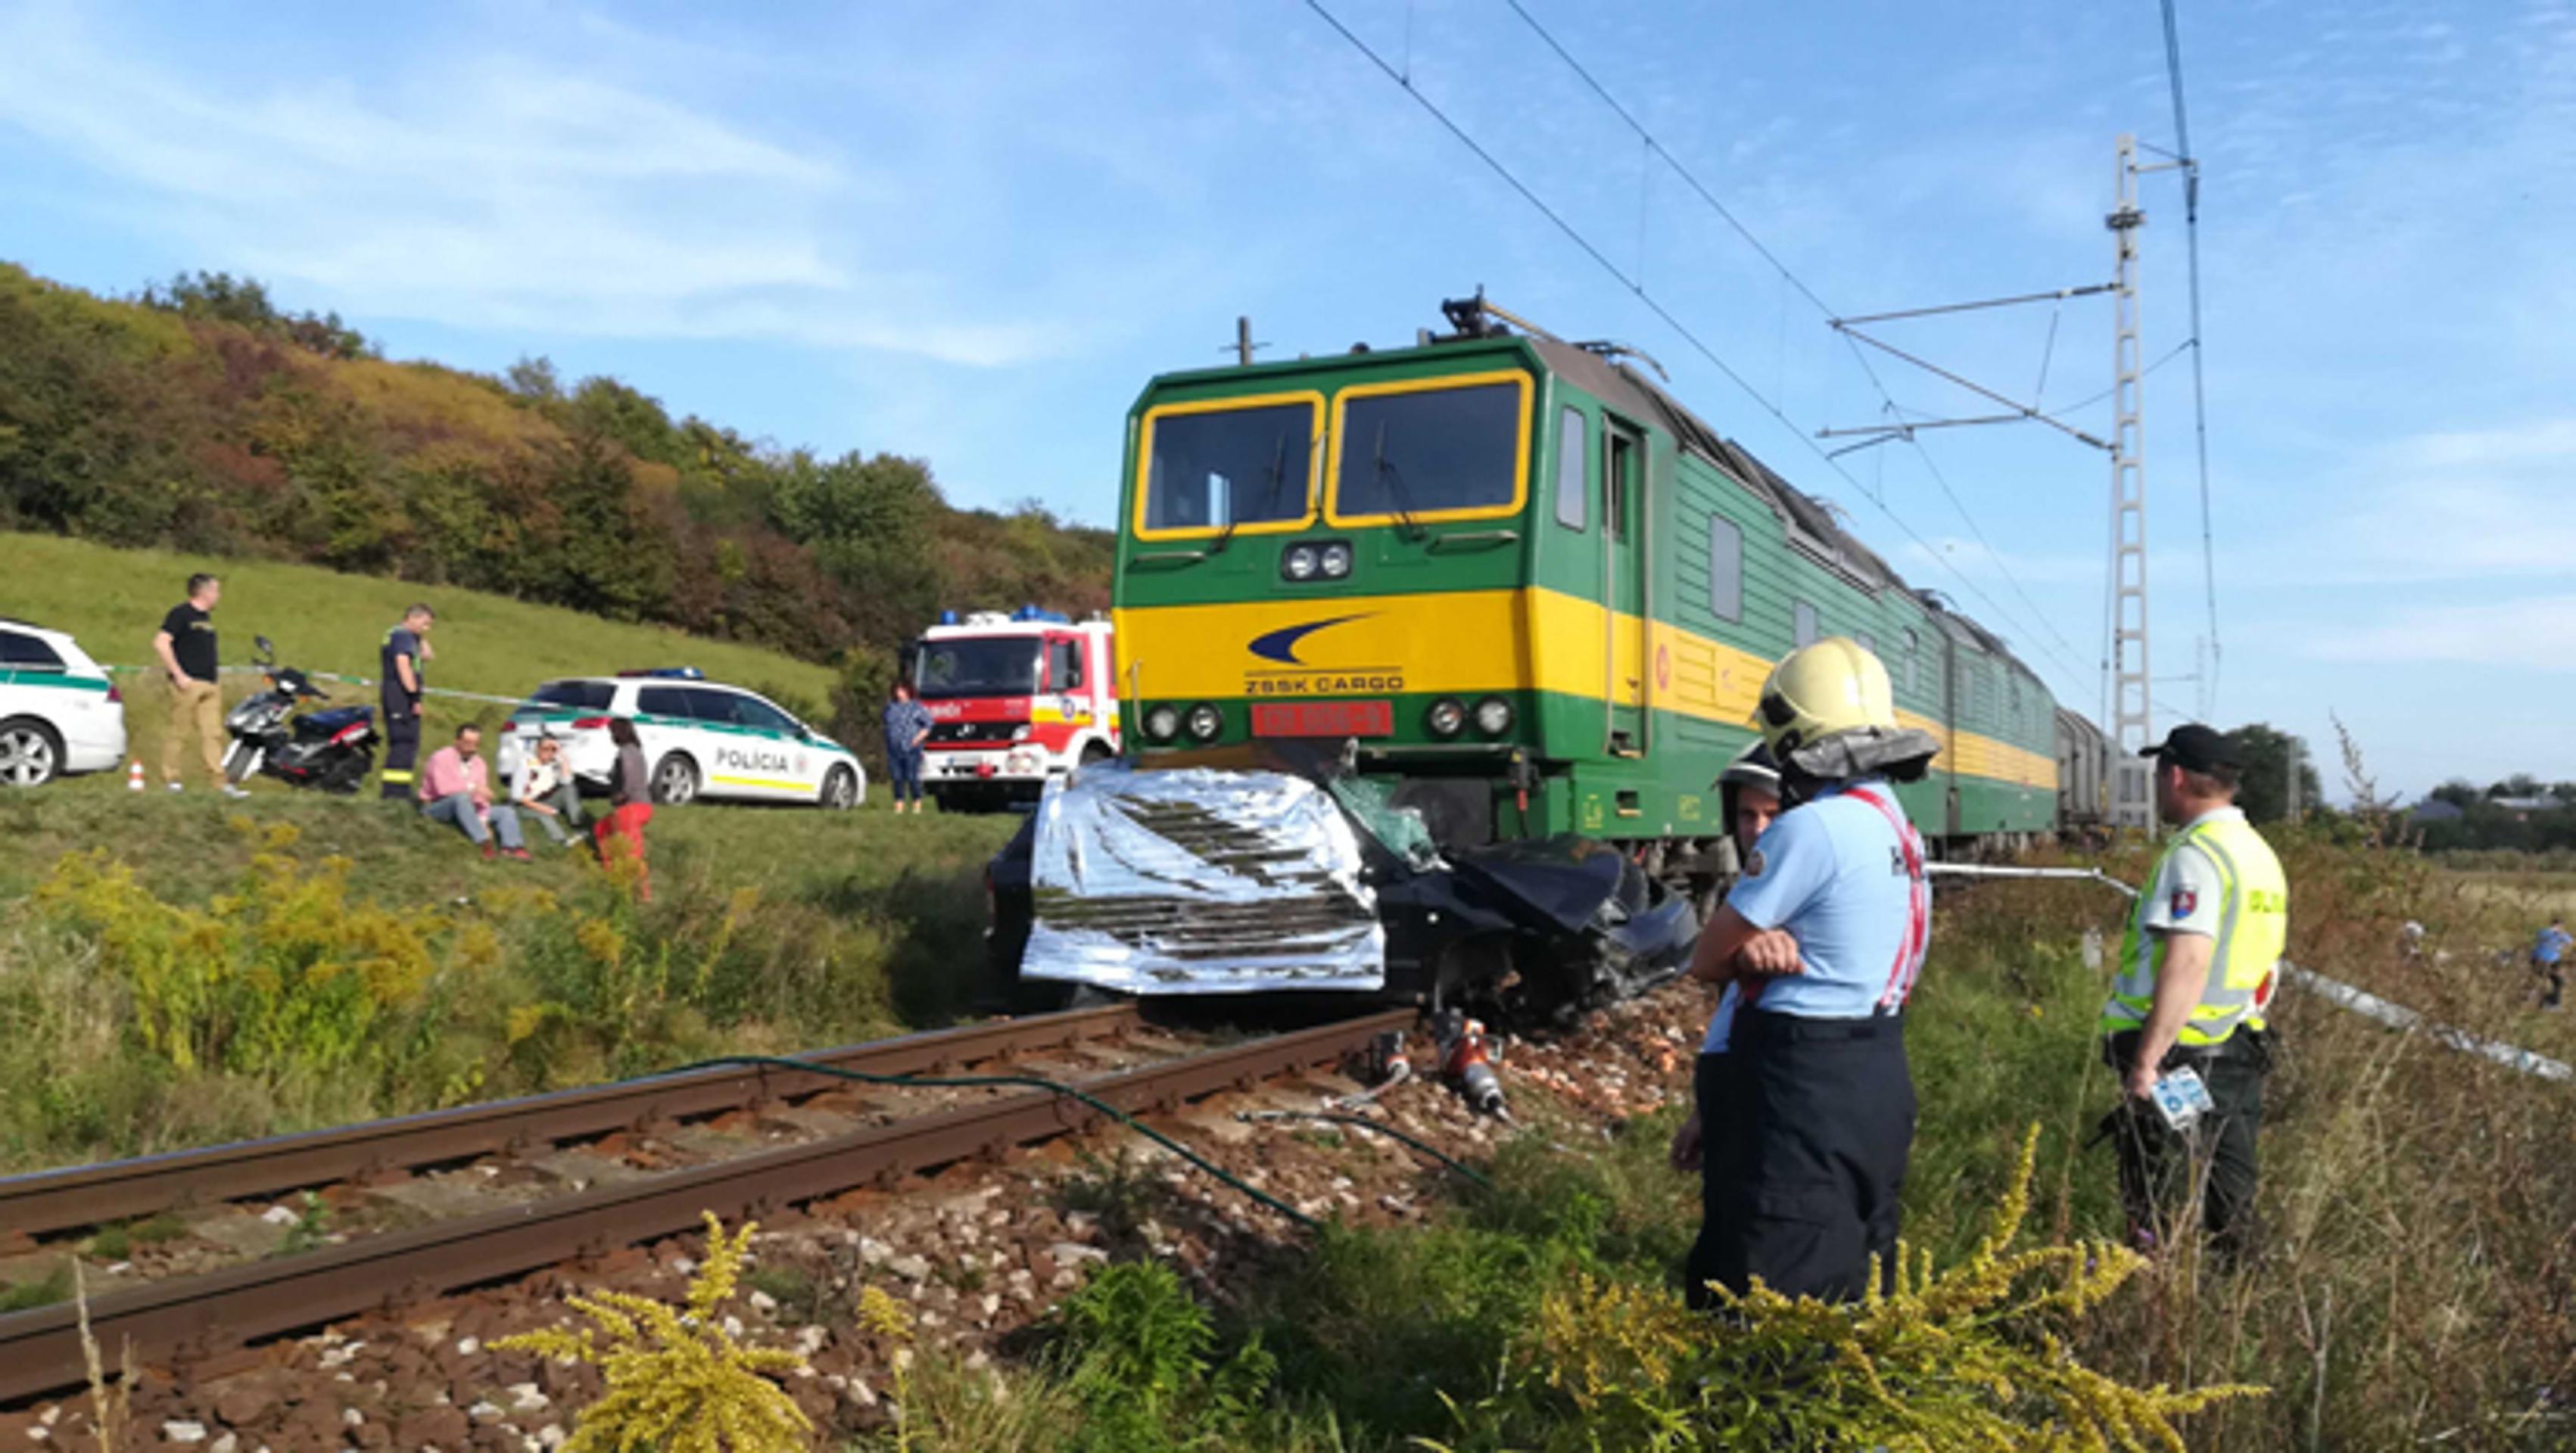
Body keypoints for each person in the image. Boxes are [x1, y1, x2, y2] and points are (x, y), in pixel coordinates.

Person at [1684, 637, 1939, 1305]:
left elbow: (1705, 959)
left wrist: (1747, 948)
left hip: (1803, 1080)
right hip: (1877, 1068)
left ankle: (1773, 1410)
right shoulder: (1898, 830)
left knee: (1776, 1277)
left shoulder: (1812, 829)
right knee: (1855, 1263)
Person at [2098, 723, 2288, 1267]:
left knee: (2155, 1179)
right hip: (2235, 1041)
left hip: (2182, 1054)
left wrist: (2146, 1064)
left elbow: (2188, 960)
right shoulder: (2255, 853)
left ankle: (2147, 1282)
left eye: (2159, 775)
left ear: (2175, 776)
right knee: (2227, 1183)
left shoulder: (2196, 855)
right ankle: (2235, 1287)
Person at [1671, 742, 1783, 1297]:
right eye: (1746, 815)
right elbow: (1729, 1009)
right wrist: (1702, 1112)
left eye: (1771, 815)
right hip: (1730, 1090)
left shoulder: (1799, 901)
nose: (1756, 829)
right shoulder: (1750, 895)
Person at [151, 573, 246, 798]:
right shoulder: (181, 614)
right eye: (216, 591)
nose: (219, 596)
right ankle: (171, 779)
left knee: (213, 734)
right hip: (188, 683)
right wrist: (179, 675)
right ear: (205, 592)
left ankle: (219, 782)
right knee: (179, 731)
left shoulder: (207, 619)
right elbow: (161, 642)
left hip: (210, 683)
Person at [416, 723, 528, 860]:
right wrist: (472, 788)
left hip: (469, 807)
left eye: (475, 744)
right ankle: (484, 842)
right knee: (460, 798)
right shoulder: (440, 758)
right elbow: (443, 789)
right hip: (437, 806)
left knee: (506, 811)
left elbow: (481, 796)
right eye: (467, 743)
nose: (471, 748)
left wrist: (483, 818)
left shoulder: (480, 763)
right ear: (457, 741)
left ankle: (512, 847)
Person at [378, 603, 435, 800]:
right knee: (403, 742)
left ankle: (399, 789)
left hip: (398, 695)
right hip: (400, 696)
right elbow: (404, 667)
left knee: (409, 742)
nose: (426, 628)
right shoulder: (402, 636)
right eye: (425, 623)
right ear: (411, 617)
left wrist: (420, 636)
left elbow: (428, 656)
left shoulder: (403, 636)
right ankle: (394, 792)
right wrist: (414, 697)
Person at [593, 716, 653, 901]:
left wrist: (622, 793)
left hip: (631, 807)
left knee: (633, 852)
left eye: (611, 732)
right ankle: (612, 875)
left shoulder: (626, 752)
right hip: (643, 806)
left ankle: (643, 893)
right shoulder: (637, 750)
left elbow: (628, 773)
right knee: (601, 829)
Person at [510, 733, 587, 848]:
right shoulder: (525, 764)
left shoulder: (554, 764)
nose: (549, 752)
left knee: (570, 789)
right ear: (538, 748)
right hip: (524, 804)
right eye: (545, 749)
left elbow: (567, 781)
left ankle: (577, 825)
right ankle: (562, 840)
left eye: (553, 749)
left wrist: (562, 757)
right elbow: (516, 796)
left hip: (545, 798)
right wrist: (541, 808)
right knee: (543, 814)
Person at [883, 680, 933, 815]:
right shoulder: (890, 708)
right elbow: (887, 725)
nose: (899, 694)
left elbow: (928, 725)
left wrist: (917, 739)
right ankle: (899, 805)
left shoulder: (917, 708)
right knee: (897, 778)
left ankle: (917, 804)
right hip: (894, 748)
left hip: (911, 748)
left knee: (912, 777)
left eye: (902, 691)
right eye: (897, 691)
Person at [2532, 916, 2570, 1010]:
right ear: (2553, 925)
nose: (2559, 927)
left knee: (2558, 982)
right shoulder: (2545, 932)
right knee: (2552, 982)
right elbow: (2539, 935)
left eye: (2560, 926)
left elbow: (2569, 941)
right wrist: (2551, 931)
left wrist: (2560, 934)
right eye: (2557, 925)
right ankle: (2550, 1003)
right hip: (2540, 960)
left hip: (2554, 961)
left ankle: (2549, 1003)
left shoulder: (2561, 935)